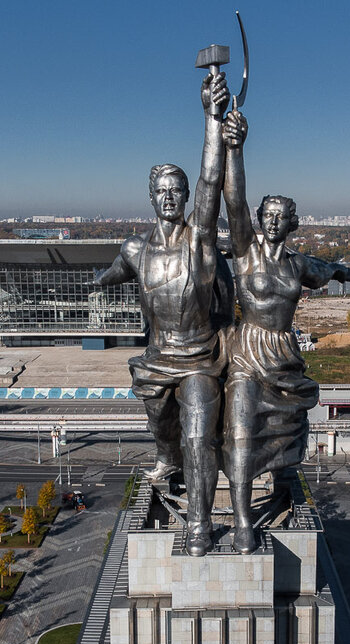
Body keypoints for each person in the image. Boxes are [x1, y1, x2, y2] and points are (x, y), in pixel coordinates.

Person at [94, 72, 231, 556]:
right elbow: (114, 270)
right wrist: (96, 282)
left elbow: (213, 179)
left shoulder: (202, 241)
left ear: (186, 196)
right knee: (162, 427)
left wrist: (211, 119)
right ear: (151, 197)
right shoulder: (136, 249)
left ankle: (199, 523)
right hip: (156, 359)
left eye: (178, 189)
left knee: (199, 435)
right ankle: (166, 458)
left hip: (199, 358)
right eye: (163, 190)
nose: (170, 196)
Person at [220, 109, 350, 553]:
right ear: (260, 218)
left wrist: (346, 270)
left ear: (292, 222)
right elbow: (233, 200)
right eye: (268, 214)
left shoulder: (299, 264)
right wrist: (235, 148)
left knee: (284, 430)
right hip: (246, 350)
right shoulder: (244, 250)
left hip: (283, 355)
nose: (273, 221)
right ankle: (243, 520)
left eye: (282, 216)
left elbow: (331, 270)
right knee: (241, 431)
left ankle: (278, 481)